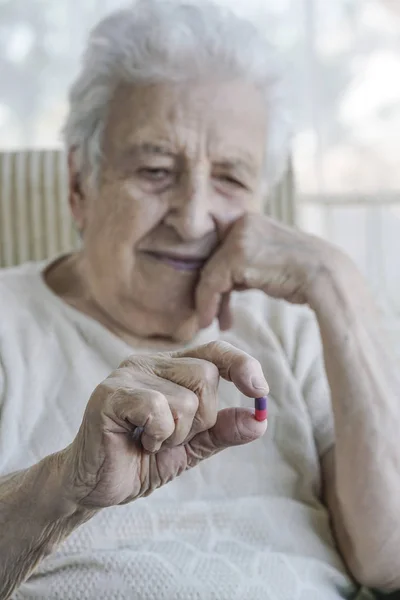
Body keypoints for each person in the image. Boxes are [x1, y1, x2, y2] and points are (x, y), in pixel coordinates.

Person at [0, 1, 399, 599]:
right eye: (156, 170)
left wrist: (335, 284)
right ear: (79, 184)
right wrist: (65, 483)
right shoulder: (10, 324)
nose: (192, 220)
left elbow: (388, 562)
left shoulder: (296, 328)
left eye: (232, 179)